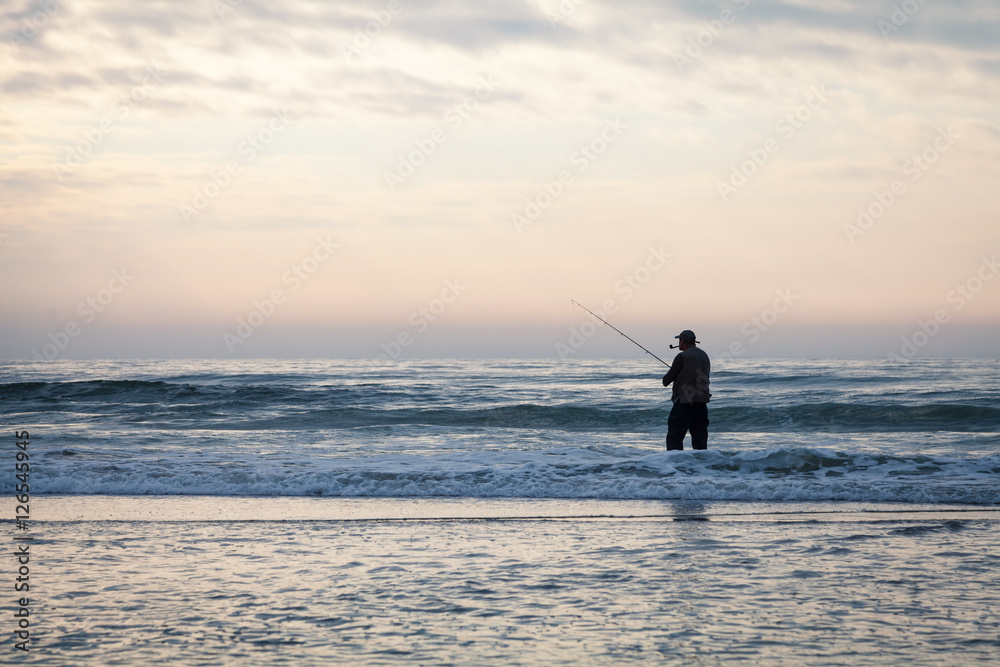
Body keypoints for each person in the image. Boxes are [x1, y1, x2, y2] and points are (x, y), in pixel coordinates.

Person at [661, 329, 711, 450]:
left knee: (674, 437)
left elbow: (666, 380)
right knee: (700, 442)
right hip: (701, 404)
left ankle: (676, 466)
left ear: (682, 341)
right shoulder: (704, 355)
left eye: (679, 340)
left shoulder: (682, 356)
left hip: (684, 403)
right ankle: (701, 466)